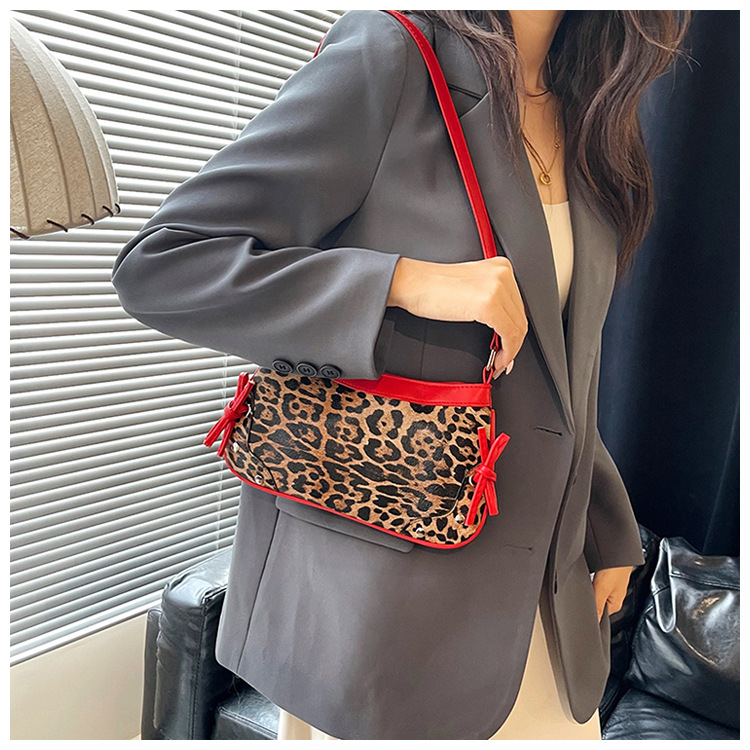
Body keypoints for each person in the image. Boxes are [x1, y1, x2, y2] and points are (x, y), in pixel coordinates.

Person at [111, 9, 690, 740]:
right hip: (382, 618)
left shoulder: (593, 111)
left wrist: (608, 531)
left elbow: (562, 376)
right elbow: (163, 265)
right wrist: (402, 282)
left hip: (550, 612)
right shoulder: (392, 56)